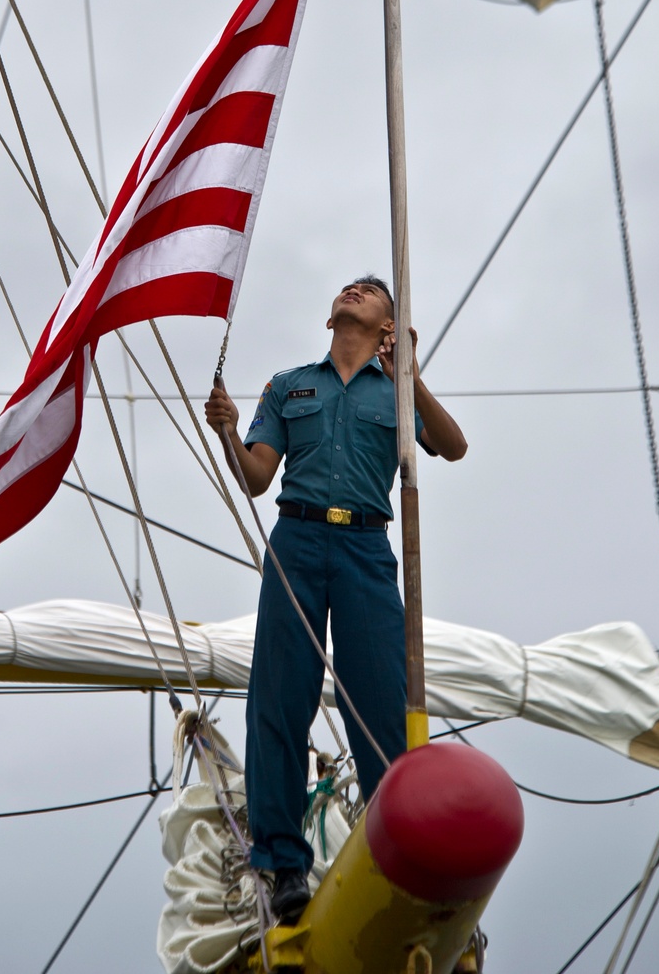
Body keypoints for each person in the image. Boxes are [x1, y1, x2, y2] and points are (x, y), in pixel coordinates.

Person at [204, 275, 467, 923]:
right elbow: (256, 477)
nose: (353, 290)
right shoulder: (290, 383)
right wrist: (229, 433)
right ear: (331, 319)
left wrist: (410, 374)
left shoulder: (398, 393)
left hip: (365, 549)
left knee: (380, 697)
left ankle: (393, 847)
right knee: (279, 697)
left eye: (370, 291)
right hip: (296, 538)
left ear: (387, 325)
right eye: (348, 287)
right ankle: (283, 860)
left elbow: (452, 445)